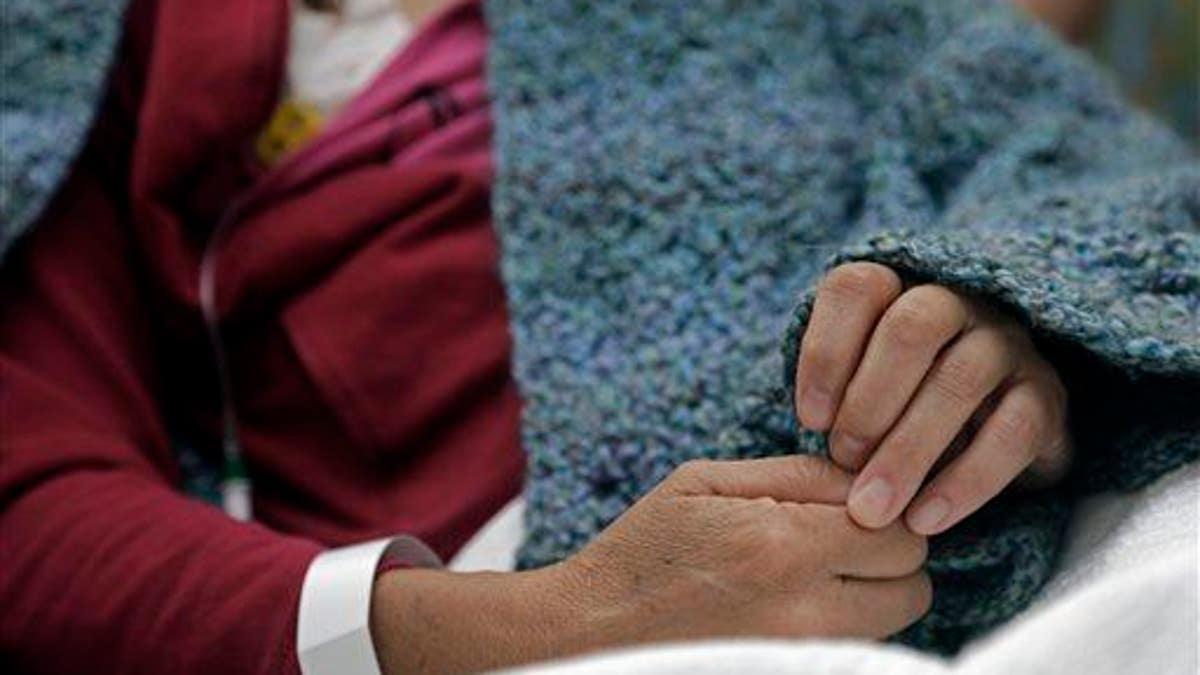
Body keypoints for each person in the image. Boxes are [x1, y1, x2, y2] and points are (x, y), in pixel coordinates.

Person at [7, 0, 1136, 673]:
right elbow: (34, 504)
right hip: (464, 598)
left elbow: (1094, 177)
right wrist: (542, 625)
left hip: (955, 546)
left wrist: (1021, 322)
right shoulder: (93, 59)